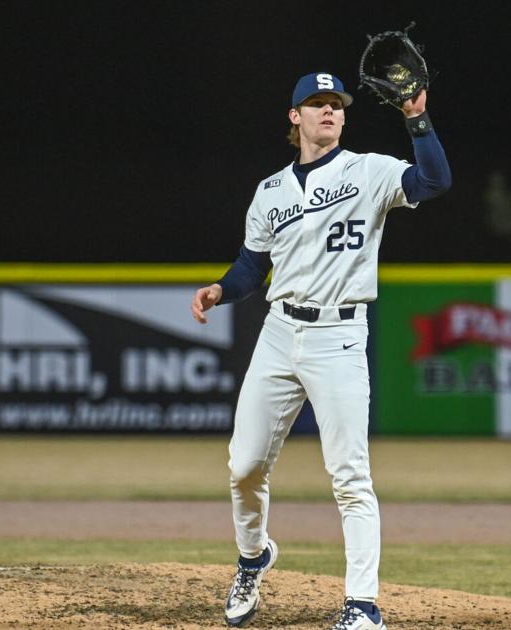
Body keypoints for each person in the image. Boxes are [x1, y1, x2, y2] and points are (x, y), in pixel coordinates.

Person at [190, 71, 450, 629]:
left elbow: (434, 181)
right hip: (280, 333)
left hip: (340, 337)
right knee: (243, 467)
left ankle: (362, 607)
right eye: (316, 103)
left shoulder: (369, 170)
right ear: (295, 117)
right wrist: (219, 289)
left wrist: (416, 118)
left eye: (336, 104)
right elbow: (250, 269)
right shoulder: (270, 191)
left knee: (351, 476)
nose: (328, 111)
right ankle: (254, 557)